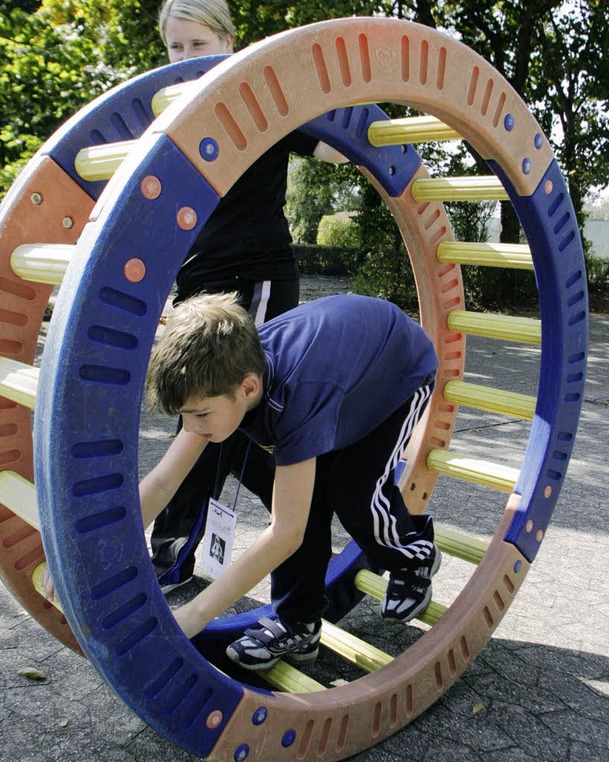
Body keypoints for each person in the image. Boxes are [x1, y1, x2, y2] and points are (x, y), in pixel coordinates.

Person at [151, 0, 347, 592]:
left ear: (230, 44)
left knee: (214, 414)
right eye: (175, 47)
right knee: (226, 419)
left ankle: (174, 552)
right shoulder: (172, 114)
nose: (186, 58)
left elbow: (340, 145)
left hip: (253, 280)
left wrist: (317, 95)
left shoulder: (259, 104)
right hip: (197, 281)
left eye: (198, 44)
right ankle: (309, 515)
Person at [141, 292, 441, 671]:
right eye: (187, 416)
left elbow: (286, 533)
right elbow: (163, 482)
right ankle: (298, 621)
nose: (192, 428)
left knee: (354, 488)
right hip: (336, 377)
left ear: (248, 389)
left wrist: (194, 617)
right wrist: (96, 557)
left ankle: (412, 556)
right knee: (304, 500)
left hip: (396, 374)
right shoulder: (223, 381)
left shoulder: (293, 400)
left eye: (200, 414)